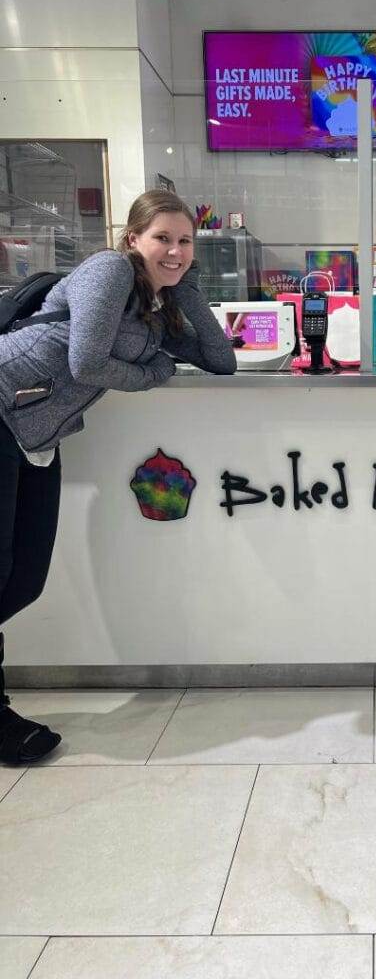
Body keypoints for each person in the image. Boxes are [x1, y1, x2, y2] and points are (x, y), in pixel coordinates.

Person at [0, 189, 236, 765]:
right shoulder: (107, 271)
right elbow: (86, 362)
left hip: (37, 432)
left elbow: (220, 358)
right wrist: (154, 372)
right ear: (132, 239)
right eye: (163, 238)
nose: (175, 250)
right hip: (3, 406)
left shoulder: (160, 306)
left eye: (185, 241)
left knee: (23, 579)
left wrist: (190, 286)